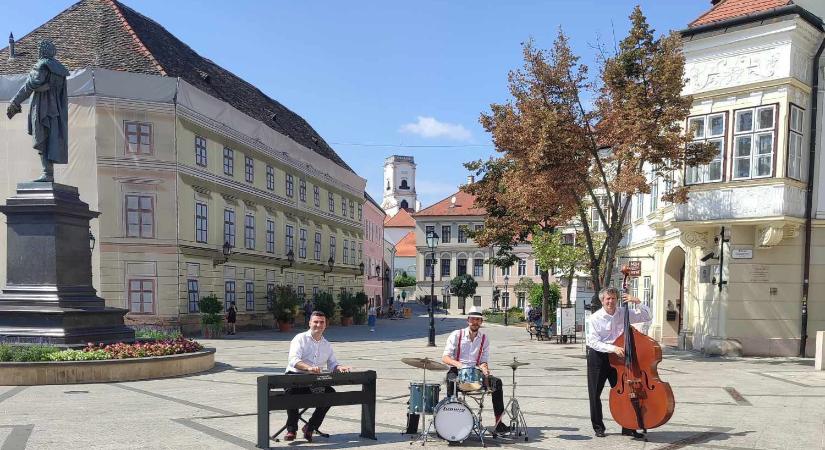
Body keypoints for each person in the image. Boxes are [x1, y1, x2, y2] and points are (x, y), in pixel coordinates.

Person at [586, 287, 651, 439]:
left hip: (619, 358)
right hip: (599, 357)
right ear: (602, 301)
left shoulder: (624, 312)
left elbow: (647, 316)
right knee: (595, 394)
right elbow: (593, 342)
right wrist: (613, 348)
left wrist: (638, 302)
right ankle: (598, 427)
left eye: (613, 298)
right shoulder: (595, 318)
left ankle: (628, 426)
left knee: (627, 392)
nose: (610, 301)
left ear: (617, 299)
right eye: (607, 299)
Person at [6, 40, 70, 183]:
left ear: (41, 52)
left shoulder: (42, 66)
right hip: (56, 110)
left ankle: (47, 173)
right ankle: (48, 173)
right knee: (50, 139)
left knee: (41, 137)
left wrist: (15, 101)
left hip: (42, 107)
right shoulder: (60, 70)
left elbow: (29, 86)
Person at [282, 311, 351, 442]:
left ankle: (310, 427)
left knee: (330, 394)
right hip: (295, 378)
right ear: (309, 323)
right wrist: (308, 368)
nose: (318, 325)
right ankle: (291, 429)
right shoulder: (300, 338)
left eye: (321, 322)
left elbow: (333, 364)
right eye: (315, 322)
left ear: (326, 325)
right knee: (291, 394)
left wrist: (339, 367)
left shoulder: (327, 344)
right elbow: (293, 360)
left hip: (314, 382)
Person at [442, 307, 510, 433]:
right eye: (473, 319)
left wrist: (485, 369)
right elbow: (445, 358)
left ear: (481, 322)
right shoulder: (457, 335)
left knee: (497, 383)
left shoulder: (484, 338)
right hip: (457, 370)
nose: (475, 322)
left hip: (475, 372)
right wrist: (459, 364)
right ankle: (452, 421)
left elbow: (483, 360)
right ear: (468, 320)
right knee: (451, 381)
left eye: (478, 320)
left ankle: (499, 423)